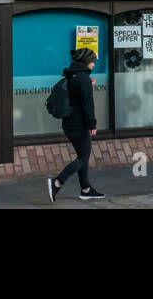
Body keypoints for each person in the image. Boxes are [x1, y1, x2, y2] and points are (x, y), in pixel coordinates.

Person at [46, 48, 104, 201]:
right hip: (79, 124)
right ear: (86, 62)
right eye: (92, 61)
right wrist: (92, 125)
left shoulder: (71, 74)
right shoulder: (83, 78)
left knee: (82, 156)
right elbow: (87, 104)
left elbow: (76, 97)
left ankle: (85, 189)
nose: (93, 64)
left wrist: (88, 87)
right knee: (83, 158)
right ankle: (57, 183)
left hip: (69, 123)